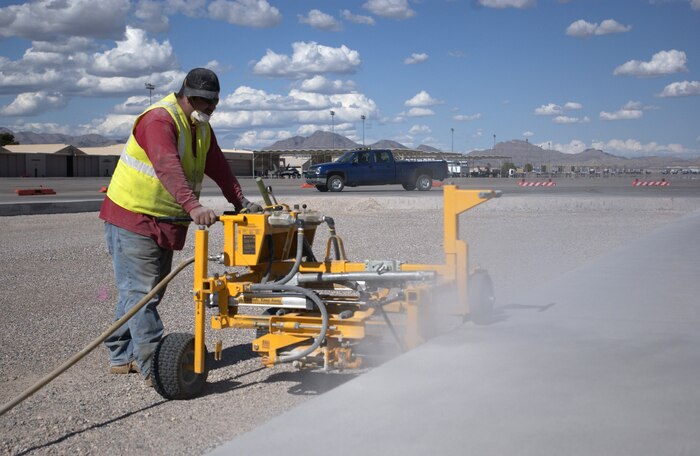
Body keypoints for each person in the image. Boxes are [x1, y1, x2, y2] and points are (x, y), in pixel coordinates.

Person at [99, 68, 261, 386]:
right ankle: (155, 369)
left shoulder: (200, 128)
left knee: (142, 294)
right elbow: (167, 166)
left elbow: (218, 166)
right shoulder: (159, 120)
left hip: (164, 222)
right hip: (133, 217)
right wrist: (194, 206)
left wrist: (241, 202)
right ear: (186, 96)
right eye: (205, 102)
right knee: (141, 295)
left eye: (215, 103)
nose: (211, 109)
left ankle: (120, 355)